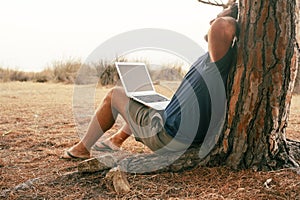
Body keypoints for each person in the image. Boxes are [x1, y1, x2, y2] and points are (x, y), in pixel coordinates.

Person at [63, 4, 239, 159]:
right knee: (147, 103)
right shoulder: (216, 60)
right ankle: (115, 141)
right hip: (182, 132)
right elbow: (214, 32)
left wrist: (226, 13)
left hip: (170, 137)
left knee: (115, 95)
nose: (211, 23)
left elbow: (221, 26)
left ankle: (82, 148)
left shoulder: (218, 62)